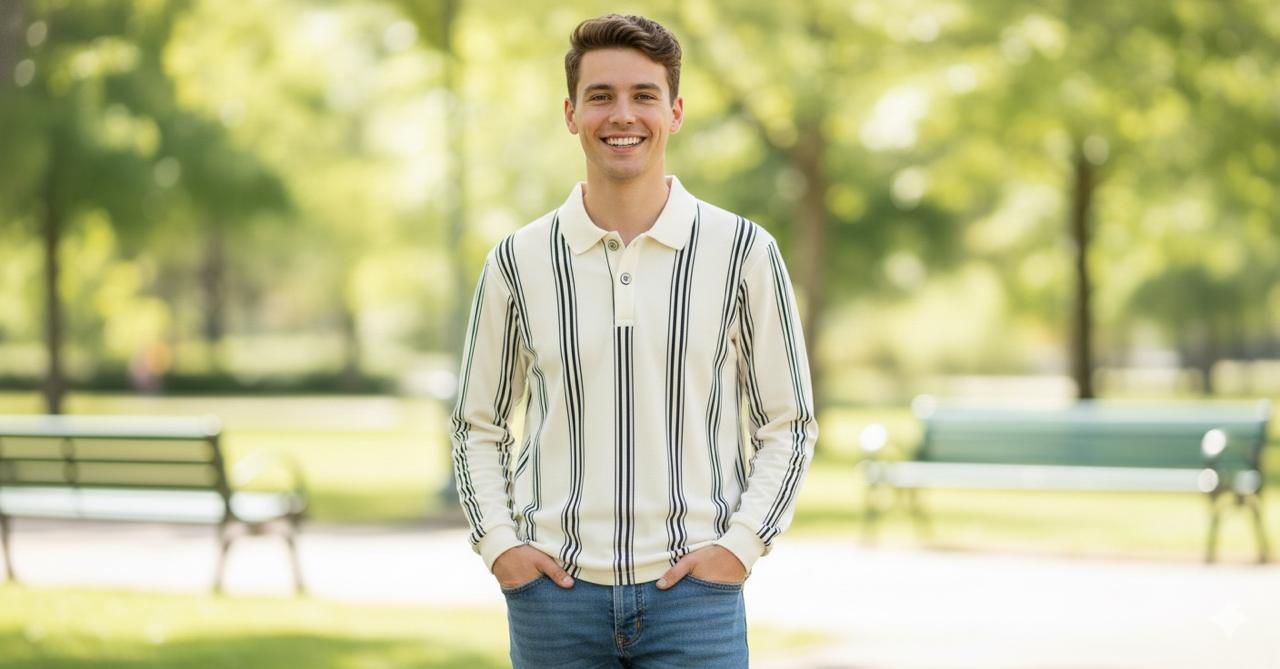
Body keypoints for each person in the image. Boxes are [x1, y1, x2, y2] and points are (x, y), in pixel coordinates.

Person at [450, 13, 816, 668]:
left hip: (696, 599)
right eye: (601, 96)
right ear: (571, 113)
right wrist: (500, 545)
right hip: (553, 600)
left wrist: (740, 546)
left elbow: (789, 423)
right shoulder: (517, 259)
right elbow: (477, 425)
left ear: (674, 111)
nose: (623, 115)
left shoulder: (743, 252)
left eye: (643, 95)